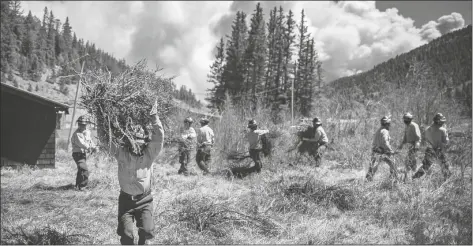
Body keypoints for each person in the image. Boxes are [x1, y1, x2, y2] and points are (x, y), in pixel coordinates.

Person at [98, 101, 164, 245]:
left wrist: (154, 117)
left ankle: (143, 241)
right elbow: (105, 140)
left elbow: (159, 138)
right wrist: (101, 117)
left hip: (145, 200)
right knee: (126, 235)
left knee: (147, 231)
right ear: (129, 142)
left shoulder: (149, 154)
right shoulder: (121, 153)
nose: (137, 146)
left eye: (140, 142)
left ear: (145, 142)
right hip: (126, 200)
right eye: (134, 142)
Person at [412, 113, 450, 180]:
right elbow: (446, 142)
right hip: (439, 150)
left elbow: (425, 138)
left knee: (425, 167)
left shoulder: (427, 129)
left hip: (429, 150)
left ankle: (414, 178)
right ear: (439, 121)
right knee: (445, 167)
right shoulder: (443, 130)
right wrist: (446, 133)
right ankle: (446, 181)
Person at [366, 116, 397, 181]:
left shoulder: (379, 130)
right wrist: (391, 150)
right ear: (387, 124)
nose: (389, 125)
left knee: (373, 166)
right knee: (393, 163)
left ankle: (368, 179)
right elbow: (385, 142)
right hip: (381, 151)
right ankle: (393, 179)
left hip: (375, 151)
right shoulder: (385, 131)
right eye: (389, 124)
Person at [71, 115, 97, 191]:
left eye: (84, 124)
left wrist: (94, 147)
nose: (82, 126)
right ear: (78, 124)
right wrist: (90, 148)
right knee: (84, 170)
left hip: (83, 154)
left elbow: (90, 141)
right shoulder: (77, 134)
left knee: (80, 170)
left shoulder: (87, 132)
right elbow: (82, 144)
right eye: (80, 124)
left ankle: (78, 186)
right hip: (77, 154)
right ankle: (83, 186)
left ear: (86, 124)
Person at [397, 112, 421, 180]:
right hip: (410, 145)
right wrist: (401, 145)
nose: (404, 120)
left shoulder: (414, 125)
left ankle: (412, 177)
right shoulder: (407, 126)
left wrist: (416, 145)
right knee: (410, 162)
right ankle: (412, 177)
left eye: (405, 119)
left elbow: (418, 136)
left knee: (409, 161)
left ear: (408, 119)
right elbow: (405, 137)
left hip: (414, 145)